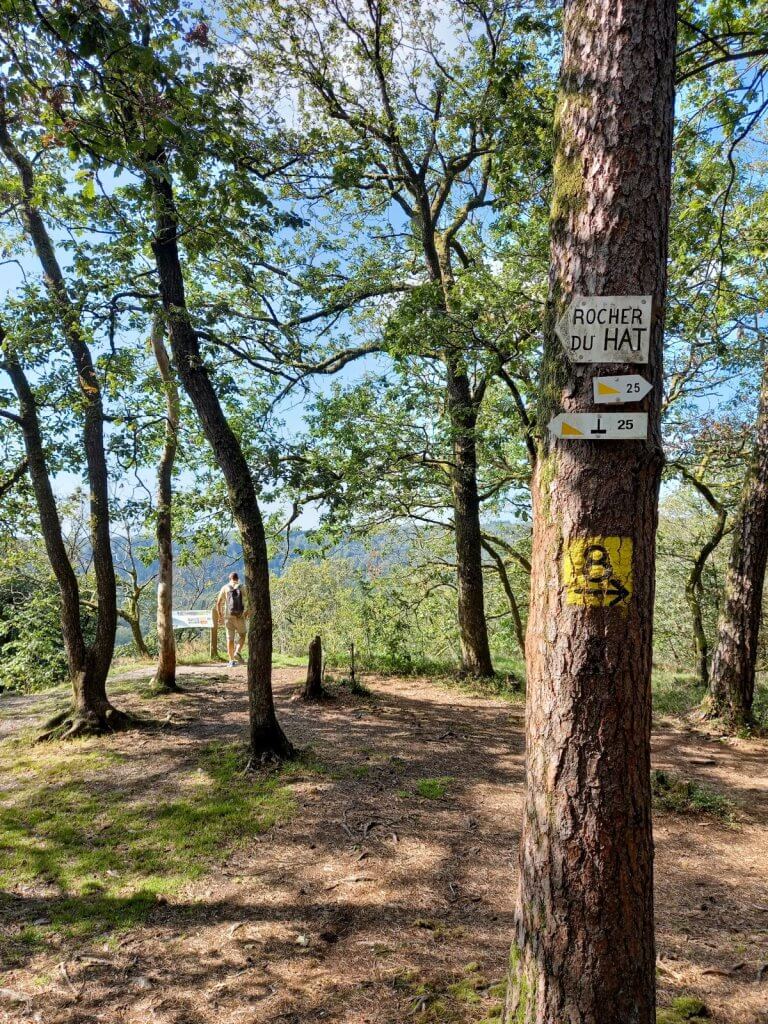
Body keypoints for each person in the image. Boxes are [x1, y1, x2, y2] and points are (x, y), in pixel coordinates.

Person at [216, 571, 247, 667]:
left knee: (230, 639)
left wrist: (220, 616)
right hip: (240, 616)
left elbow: (218, 603)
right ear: (237, 579)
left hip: (228, 616)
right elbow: (250, 599)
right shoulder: (242, 587)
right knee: (242, 635)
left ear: (230, 579)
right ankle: (237, 652)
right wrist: (247, 611)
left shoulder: (225, 588)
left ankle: (231, 661)